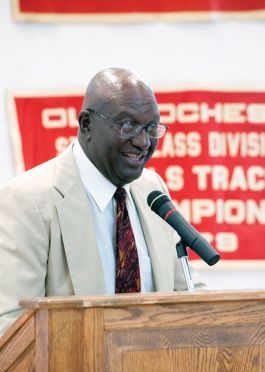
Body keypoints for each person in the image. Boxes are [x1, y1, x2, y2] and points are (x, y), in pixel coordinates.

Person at [0, 67, 204, 335]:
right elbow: (12, 327)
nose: (143, 142)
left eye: (151, 128)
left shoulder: (152, 189)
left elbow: (187, 293)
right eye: (127, 125)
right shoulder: (29, 199)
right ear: (86, 124)